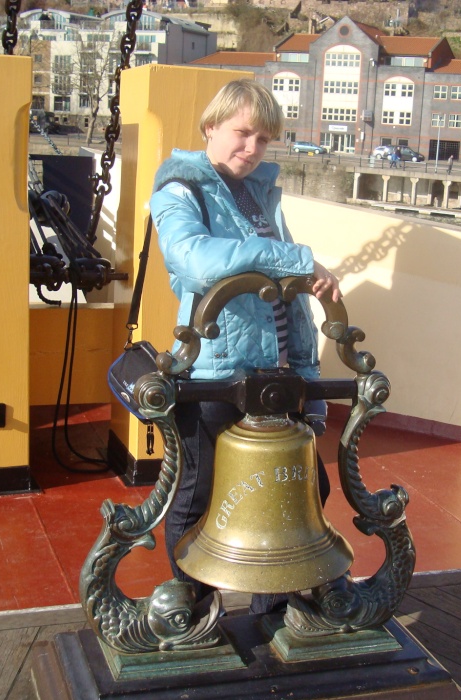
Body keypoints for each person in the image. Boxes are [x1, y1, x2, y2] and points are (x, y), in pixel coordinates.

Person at [149, 79, 342, 615]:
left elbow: (290, 304)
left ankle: (273, 604)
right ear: (211, 127)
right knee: (200, 491)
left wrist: (311, 383)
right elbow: (196, 261)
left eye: (263, 138)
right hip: (215, 373)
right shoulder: (178, 193)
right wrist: (297, 259)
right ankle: (193, 605)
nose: (252, 148)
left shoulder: (261, 195)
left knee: (302, 490)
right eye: (241, 133)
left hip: (275, 376)